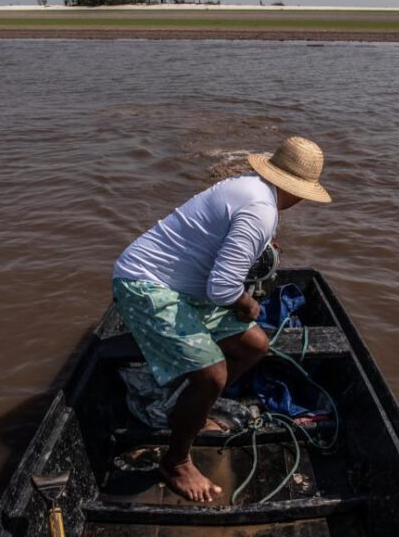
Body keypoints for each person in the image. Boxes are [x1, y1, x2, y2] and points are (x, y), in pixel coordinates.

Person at [111, 136, 332, 502]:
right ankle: (176, 461)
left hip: (186, 286)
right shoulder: (260, 210)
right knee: (214, 373)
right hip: (144, 284)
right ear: (300, 191)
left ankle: (194, 405)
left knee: (254, 346)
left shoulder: (248, 187)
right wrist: (246, 304)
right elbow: (223, 288)